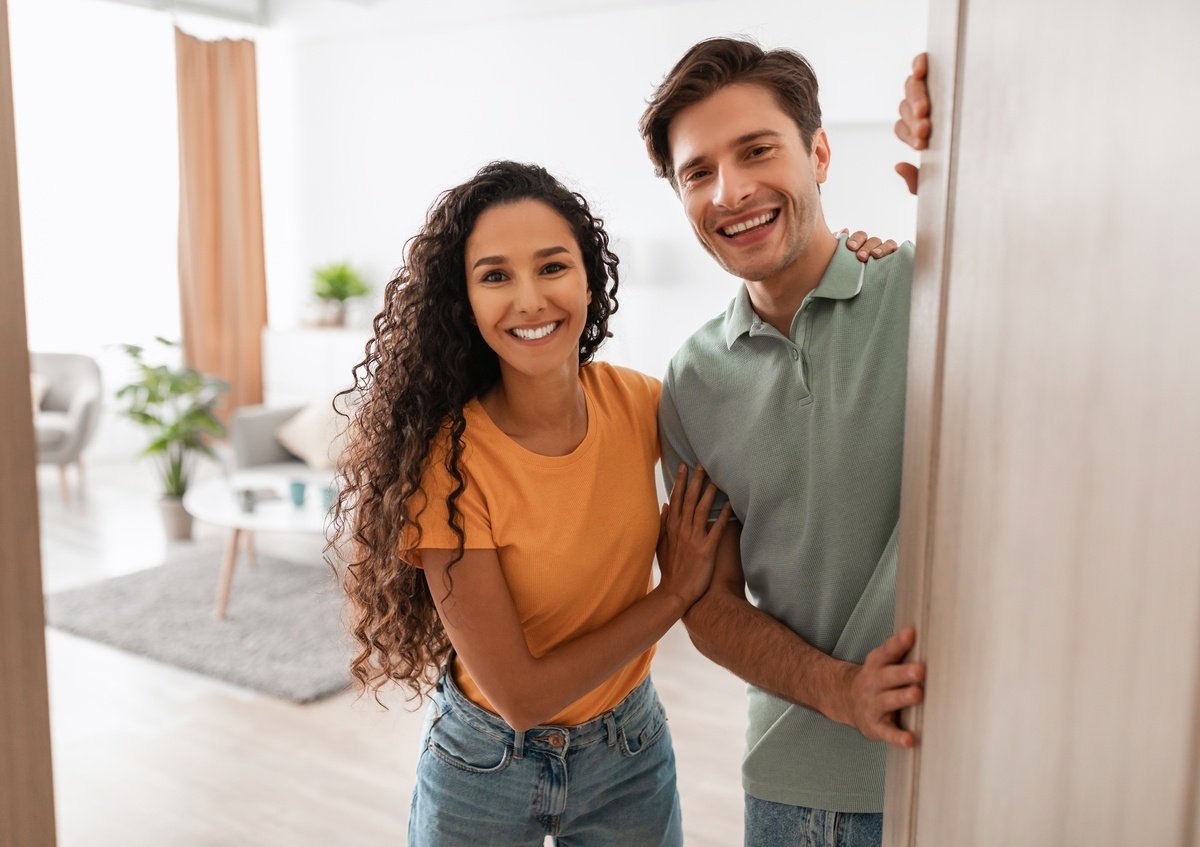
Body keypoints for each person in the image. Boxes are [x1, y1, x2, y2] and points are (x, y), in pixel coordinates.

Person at [329, 159, 895, 847]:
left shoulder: (642, 404)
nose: (530, 298)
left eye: (552, 266)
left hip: (626, 754)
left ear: (590, 280)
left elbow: (760, 410)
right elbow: (524, 695)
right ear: (465, 301)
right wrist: (674, 594)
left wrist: (860, 271)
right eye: (495, 276)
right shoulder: (448, 467)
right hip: (485, 761)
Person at [637, 38, 931, 847]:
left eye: (757, 150)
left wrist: (956, 149)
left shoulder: (928, 294)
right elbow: (710, 605)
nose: (731, 192)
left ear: (820, 153)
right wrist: (843, 691)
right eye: (698, 172)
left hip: (952, 766)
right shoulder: (690, 381)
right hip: (789, 791)